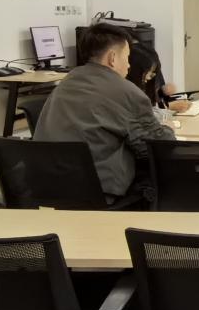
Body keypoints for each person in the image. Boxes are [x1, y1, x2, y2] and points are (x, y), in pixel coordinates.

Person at [34, 23, 176, 201]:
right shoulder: (126, 91)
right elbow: (157, 147)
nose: (129, 66)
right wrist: (168, 130)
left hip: (45, 187)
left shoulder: (66, 82)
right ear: (113, 58)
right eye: (127, 57)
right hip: (96, 192)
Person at [126, 43, 190, 116]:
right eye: (149, 72)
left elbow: (152, 105)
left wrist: (163, 92)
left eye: (153, 72)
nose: (150, 77)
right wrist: (168, 107)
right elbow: (142, 115)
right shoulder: (127, 90)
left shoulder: (149, 81)